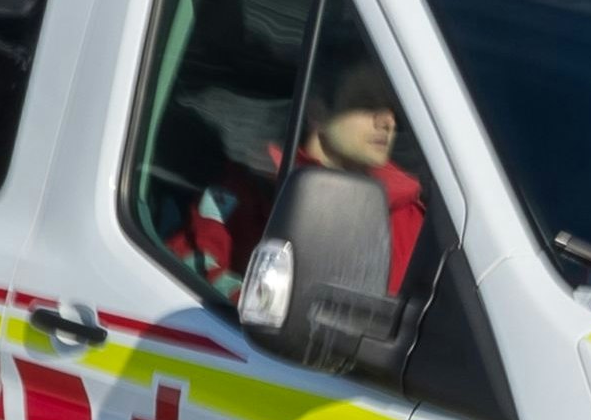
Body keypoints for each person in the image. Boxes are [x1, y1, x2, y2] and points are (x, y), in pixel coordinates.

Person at [175, 60, 424, 302]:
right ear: (317, 112)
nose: (388, 122)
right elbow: (189, 269)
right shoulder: (249, 191)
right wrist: (263, 307)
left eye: (392, 108)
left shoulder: (410, 217)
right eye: (367, 103)